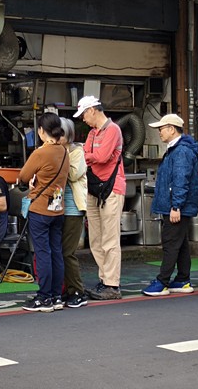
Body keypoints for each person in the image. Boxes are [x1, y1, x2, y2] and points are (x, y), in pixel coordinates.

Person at [141, 114, 198, 297]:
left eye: (161, 128)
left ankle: (162, 281)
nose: (159, 132)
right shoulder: (178, 149)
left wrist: (176, 207)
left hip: (175, 207)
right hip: (177, 205)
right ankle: (183, 279)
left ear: (172, 129)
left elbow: (180, 180)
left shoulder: (180, 151)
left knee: (170, 243)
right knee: (180, 243)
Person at [74, 95, 125, 301]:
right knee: (96, 238)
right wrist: (91, 156)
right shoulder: (93, 133)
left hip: (112, 188)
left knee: (110, 238)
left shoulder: (113, 130)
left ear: (92, 110)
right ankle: (105, 280)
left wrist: (89, 156)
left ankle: (112, 284)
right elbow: (90, 155)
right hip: (95, 188)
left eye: (83, 114)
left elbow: (100, 157)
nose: (83, 119)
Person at [17, 112, 69, 313]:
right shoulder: (64, 152)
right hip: (58, 209)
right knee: (56, 252)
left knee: (43, 252)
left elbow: (23, 176)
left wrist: (34, 179)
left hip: (40, 209)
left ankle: (44, 296)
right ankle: (56, 295)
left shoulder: (41, 152)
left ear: (41, 130)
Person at [60, 117, 88, 308]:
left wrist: (57, 157)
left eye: (60, 133)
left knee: (67, 251)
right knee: (60, 251)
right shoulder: (56, 151)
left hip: (72, 208)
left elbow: (72, 174)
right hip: (57, 208)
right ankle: (65, 289)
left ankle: (77, 291)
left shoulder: (77, 151)